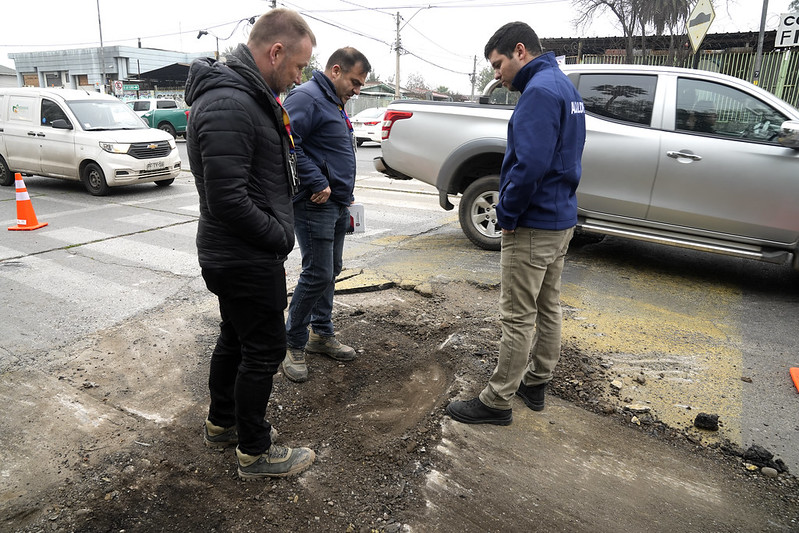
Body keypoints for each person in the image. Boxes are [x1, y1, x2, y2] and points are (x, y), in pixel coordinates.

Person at [184, 9, 317, 479]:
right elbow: (228, 200)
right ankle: (255, 451)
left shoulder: (247, 97)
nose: (299, 77)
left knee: (236, 338)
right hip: (243, 255)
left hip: (236, 253)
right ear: (275, 52)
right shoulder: (231, 104)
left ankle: (223, 423)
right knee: (264, 349)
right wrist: (280, 235)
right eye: (298, 66)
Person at [446, 22, 586, 425]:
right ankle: (536, 382)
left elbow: (530, 166)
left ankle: (497, 400)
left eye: (498, 64)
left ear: (520, 51)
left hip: (533, 224)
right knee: (547, 305)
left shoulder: (538, 92)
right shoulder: (563, 86)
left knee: (517, 315)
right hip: (560, 218)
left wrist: (506, 213)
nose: (497, 74)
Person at [280, 47, 371, 383]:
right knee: (317, 273)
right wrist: (318, 180)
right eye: (355, 82)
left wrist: (343, 191)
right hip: (314, 202)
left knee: (331, 270)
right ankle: (293, 342)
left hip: (336, 202)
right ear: (335, 70)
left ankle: (321, 333)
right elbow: (288, 144)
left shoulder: (332, 101)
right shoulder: (307, 97)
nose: (356, 90)